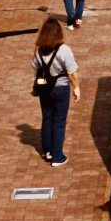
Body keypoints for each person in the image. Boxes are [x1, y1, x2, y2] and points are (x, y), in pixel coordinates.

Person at [31, 17, 79, 166]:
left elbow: (35, 67)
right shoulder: (64, 50)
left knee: (47, 118)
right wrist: (76, 87)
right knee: (59, 122)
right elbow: (72, 72)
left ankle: (47, 151)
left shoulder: (38, 51)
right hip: (61, 88)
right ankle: (58, 156)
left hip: (44, 88)